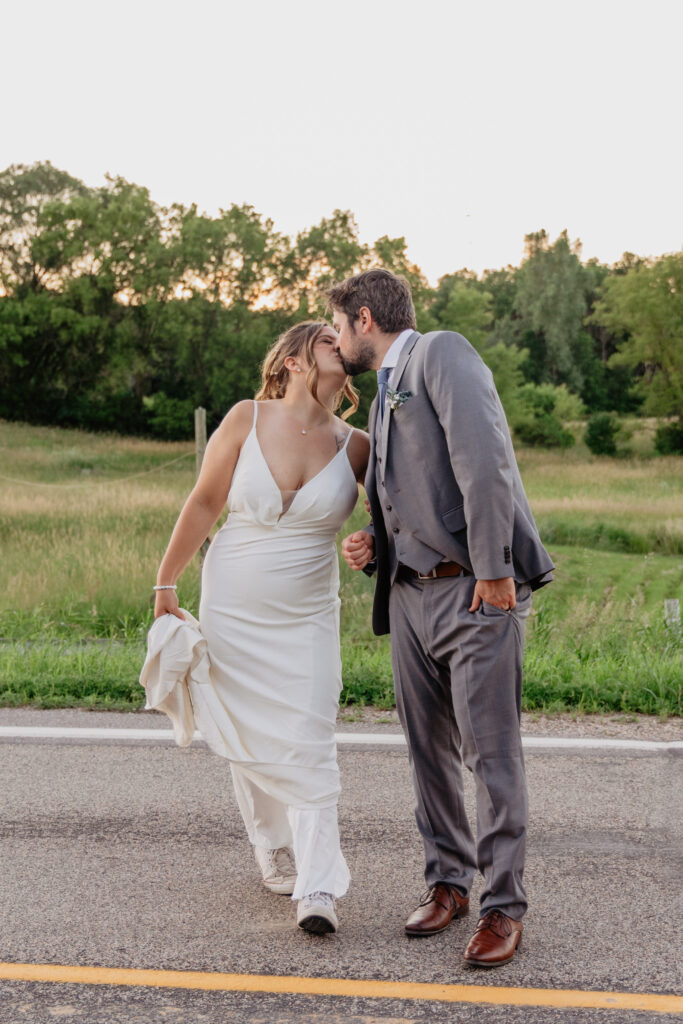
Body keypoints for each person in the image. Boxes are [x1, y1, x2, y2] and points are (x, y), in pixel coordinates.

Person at [329, 269, 554, 967]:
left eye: (337, 327)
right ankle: (448, 883)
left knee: (490, 757)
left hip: (473, 593)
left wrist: (492, 572)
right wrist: (373, 550)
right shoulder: (377, 397)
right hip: (408, 596)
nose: (336, 342)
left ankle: (502, 906)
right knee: (426, 753)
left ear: (364, 318)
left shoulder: (442, 352)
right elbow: (408, 495)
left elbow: (484, 464)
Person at [149, 321, 369, 935]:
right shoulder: (247, 417)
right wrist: (166, 582)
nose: (341, 346)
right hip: (235, 605)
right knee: (248, 724)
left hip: (308, 616)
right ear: (296, 361)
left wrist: (368, 539)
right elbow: (203, 502)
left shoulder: (357, 445)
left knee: (311, 732)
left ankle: (319, 884)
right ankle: (272, 844)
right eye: (328, 339)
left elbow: (394, 518)